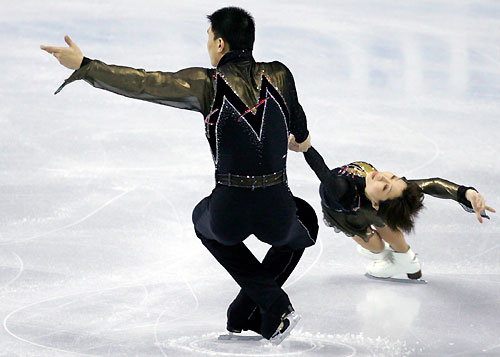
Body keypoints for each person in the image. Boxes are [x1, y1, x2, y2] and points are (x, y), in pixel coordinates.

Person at [41, 7, 318, 343]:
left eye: (208, 38)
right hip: (276, 211)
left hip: (229, 215)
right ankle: (249, 310)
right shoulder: (281, 75)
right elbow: (301, 136)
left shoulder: (207, 83)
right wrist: (296, 141)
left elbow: (143, 84)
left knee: (203, 217)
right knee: (305, 221)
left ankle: (266, 305)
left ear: (219, 43)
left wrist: (86, 67)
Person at [288, 136, 495, 279]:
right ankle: (401, 259)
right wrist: (467, 194)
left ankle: (403, 261)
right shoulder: (375, 192)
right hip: (358, 211)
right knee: (382, 239)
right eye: (393, 176)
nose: (385, 176)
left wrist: (305, 145)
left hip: (354, 211)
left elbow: (322, 171)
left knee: (382, 239)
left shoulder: (341, 189)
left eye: (387, 184)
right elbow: (432, 184)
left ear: (378, 204)